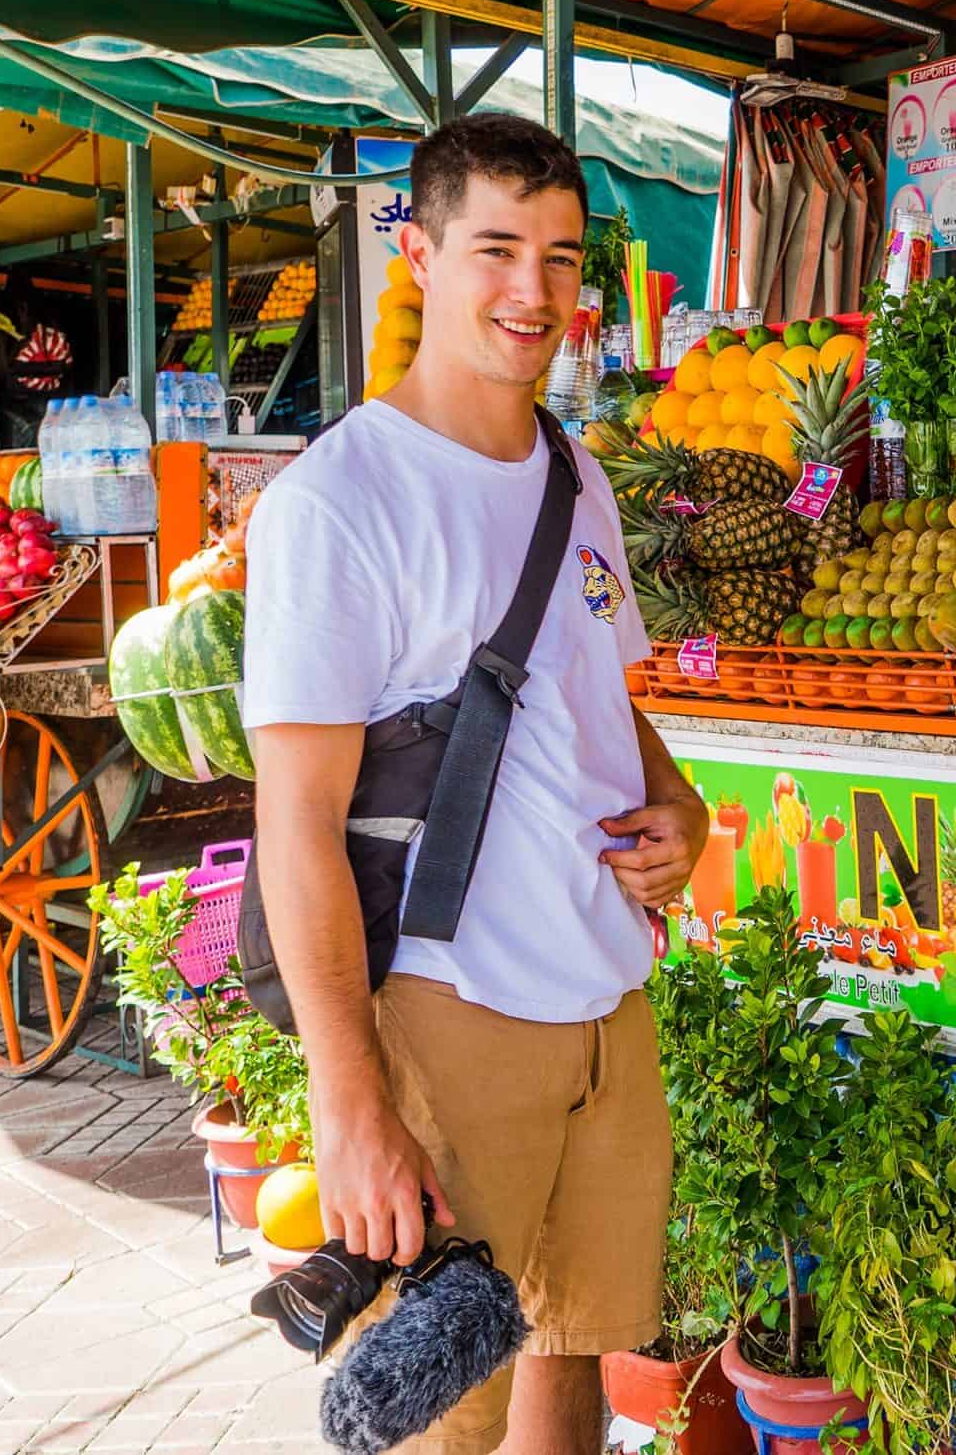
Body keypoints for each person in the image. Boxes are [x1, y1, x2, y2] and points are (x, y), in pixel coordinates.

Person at [244, 112, 704, 1455]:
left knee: (567, 1370)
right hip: (450, 1014)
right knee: (443, 1408)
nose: (532, 290)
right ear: (419, 249)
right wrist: (352, 1099)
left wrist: (679, 809)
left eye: (560, 257)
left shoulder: (579, 475)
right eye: (496, 247)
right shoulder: (344, 502)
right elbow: (297, 827)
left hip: (603, 999)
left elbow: (611, 710)